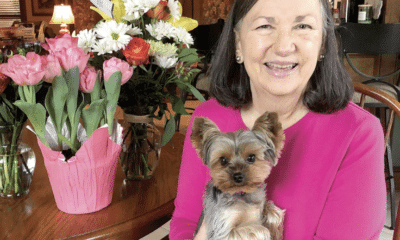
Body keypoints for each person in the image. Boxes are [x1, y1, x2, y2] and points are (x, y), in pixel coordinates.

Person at [170, 0, 387, 239]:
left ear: (323, 43)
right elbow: (185, 225)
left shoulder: (357, 134)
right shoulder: (209, 117)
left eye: (303, 26)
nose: (283, 46)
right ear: (238, 43)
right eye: (264, 26)